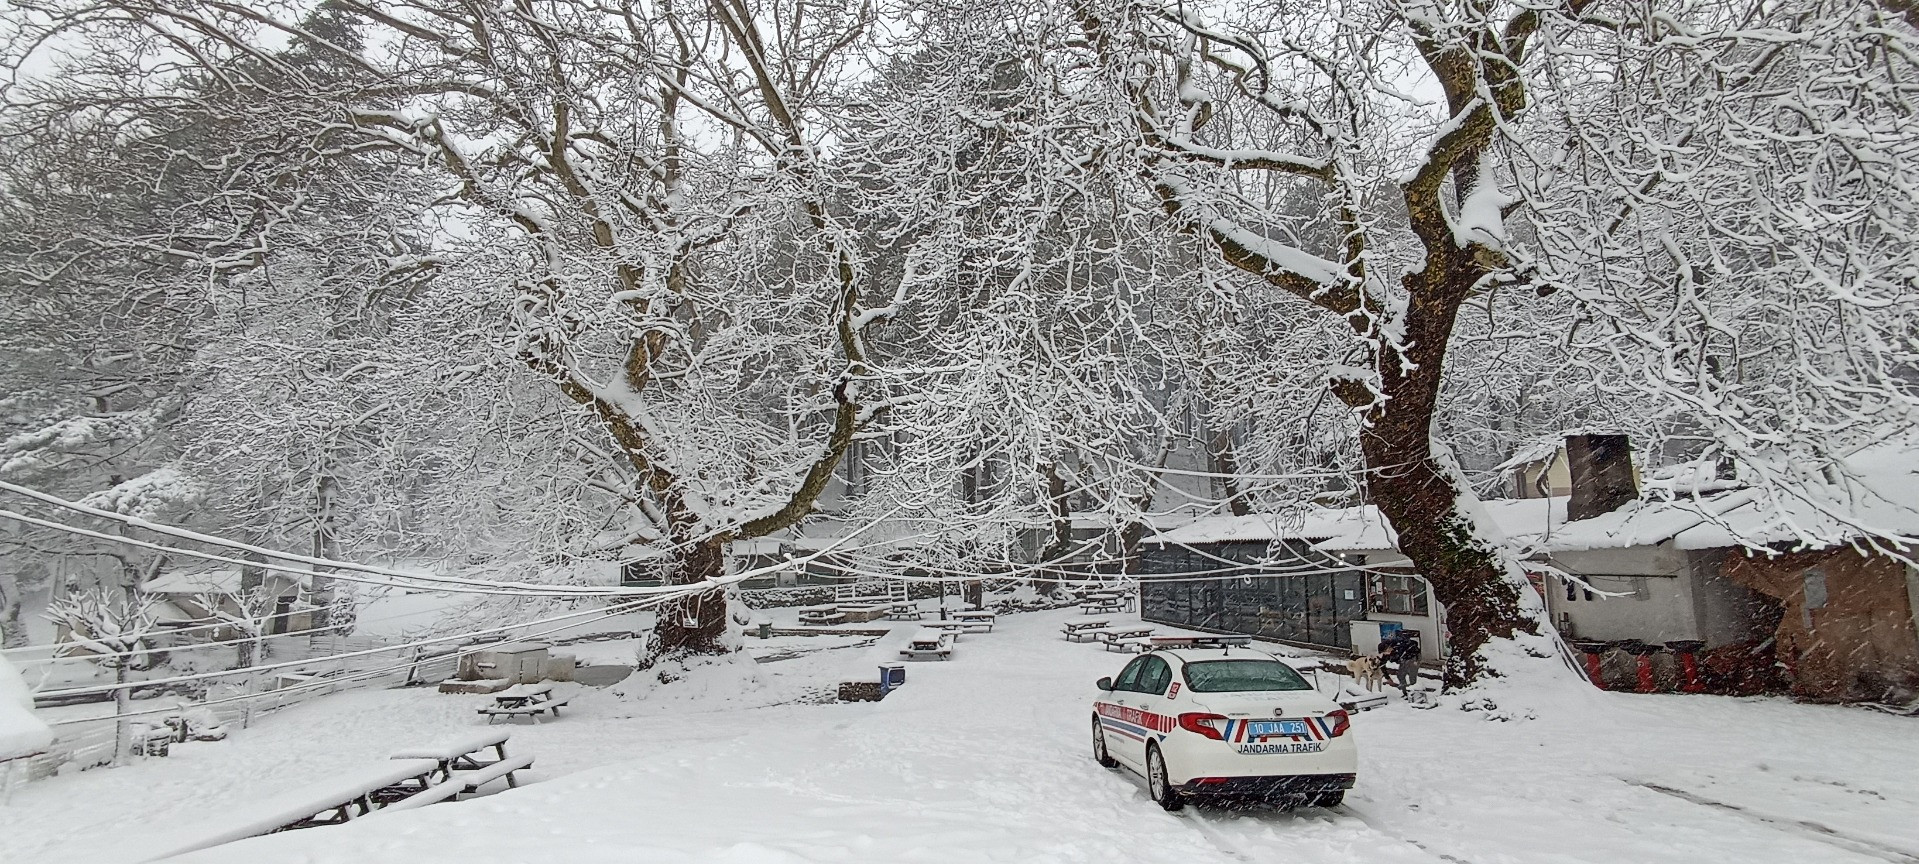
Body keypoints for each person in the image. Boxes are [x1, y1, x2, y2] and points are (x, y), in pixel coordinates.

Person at [1377, 630, 1422, 696]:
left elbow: (1415, 648)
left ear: (1388, 647)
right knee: (1400, 675)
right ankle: (1405, 693)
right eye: (1384, 653)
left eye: (1385, 652)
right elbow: (1382, 664)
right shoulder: (1387, 654)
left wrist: (1417, 662)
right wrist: (1388, 678)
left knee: (1412, 675)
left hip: (1412, 657)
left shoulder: (1401, 645)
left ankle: (1413, 693)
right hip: (1403, 660)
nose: (1386, 654)